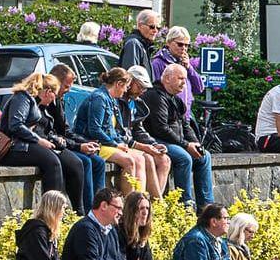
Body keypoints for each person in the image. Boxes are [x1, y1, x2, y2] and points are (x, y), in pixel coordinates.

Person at [2, 72, 92, 211]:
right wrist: (39, 141)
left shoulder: (38, 104)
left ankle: (79, 211)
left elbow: (43, 130)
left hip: (28, 144)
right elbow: (16, 125)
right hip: (14, 147)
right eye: (54, 96)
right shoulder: (22, 98)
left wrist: (54, 139)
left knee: (75, 163)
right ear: (48, 91)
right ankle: (52, 211)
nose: (53, 100)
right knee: (52, 162)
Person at [143, 63, 215, 208]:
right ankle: (184, 203)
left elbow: (185, 125)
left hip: (176, 140)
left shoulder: (176, 99)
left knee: (204, 156)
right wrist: (186, 145)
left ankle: (206, 206)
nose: (184, 82)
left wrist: (195, 143)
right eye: (180, 78)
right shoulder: (156, 96)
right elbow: (161, 128)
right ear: (168, 78)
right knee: (184, 157)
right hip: (156, 140)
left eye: (185, 78)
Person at [73, 67, 150, 194]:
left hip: (107, 143)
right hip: (94, 143)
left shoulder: (112, 100)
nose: (126, 90)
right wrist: (115, 145)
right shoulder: (99, 98)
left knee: (141, 158)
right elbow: (95, 130)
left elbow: (114, 130)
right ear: (119, 84)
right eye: (126, 86)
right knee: (129, 161)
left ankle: (140, 200)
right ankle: (129, 204)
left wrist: (122, 143)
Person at [47, 63, 108, 206]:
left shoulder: (59, 100)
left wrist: (84, 142)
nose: (69, 90)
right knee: (85, 162)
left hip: (64, 142)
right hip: (55, 145)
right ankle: (87, 208)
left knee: (98, 162)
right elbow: (51, 133)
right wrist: (79, 147)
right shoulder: (48, 100)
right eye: (66, 86)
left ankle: (101, 204)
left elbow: (66, 130)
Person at [119, 66, 170, 195]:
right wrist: (144, 147)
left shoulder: (136, 102)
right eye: (140, 86)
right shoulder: (118, 100)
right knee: (146, 158)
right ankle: (148, 203)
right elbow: (119, 132)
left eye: (144, 88)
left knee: (164, 160)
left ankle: (153, 205)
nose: (141, 91)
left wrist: (153, 144)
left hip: (132, 142)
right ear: (130, 82)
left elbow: (138, 129)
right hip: (123, 143)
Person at [147, 26, 203, 115]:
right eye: (180, 44)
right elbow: (154, 94)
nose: (184, 48)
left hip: (185, 115)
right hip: (169, 116)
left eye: (186, 45)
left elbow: (199, 88)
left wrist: (189, 68)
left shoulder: (184, 63)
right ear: (169, 42)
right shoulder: (158, 63)